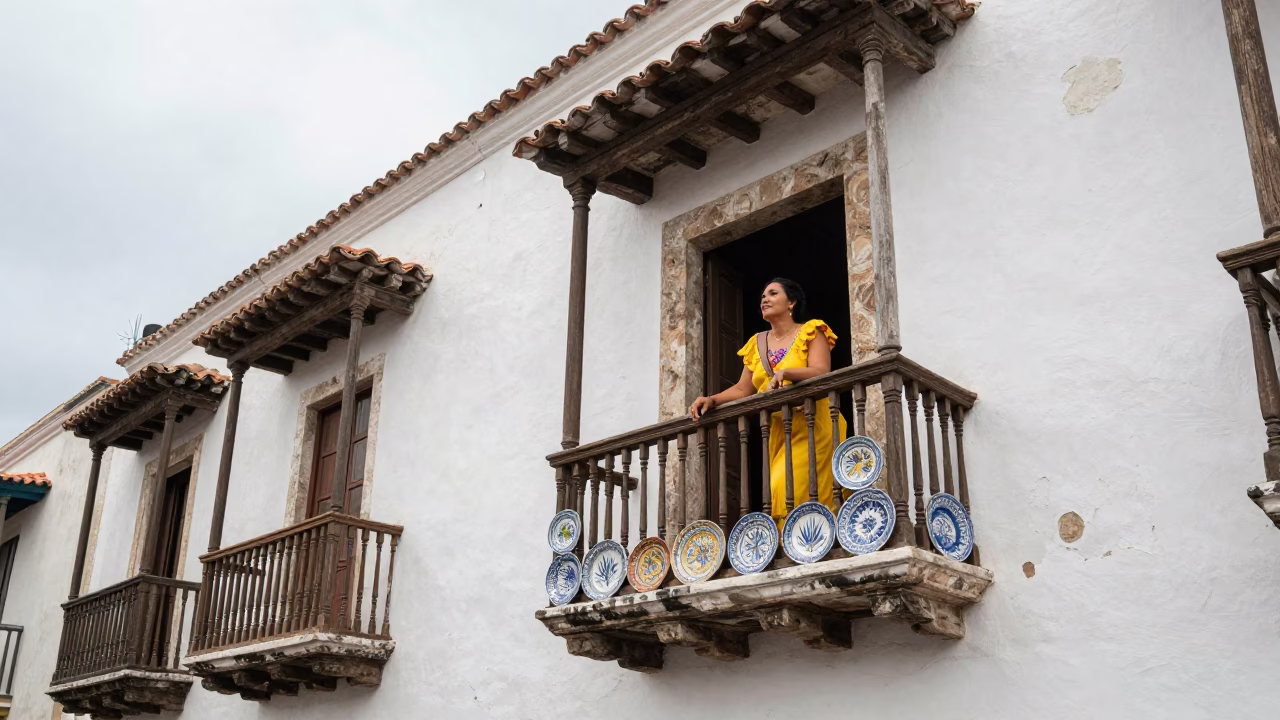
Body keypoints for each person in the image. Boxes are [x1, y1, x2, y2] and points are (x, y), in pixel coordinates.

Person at [690, 278, 847, 528]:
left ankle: (817, 539)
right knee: (779, 487)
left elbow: (821, 370)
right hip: (779, 430)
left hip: (813, 424)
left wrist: (787, 373)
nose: (765, 299)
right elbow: (744, 389)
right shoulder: (757, 343)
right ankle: (792, 544)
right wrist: (712, 399)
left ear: (791, 302)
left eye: (773, 293)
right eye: (763, 295)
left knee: (804, 484)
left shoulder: (811, 330)